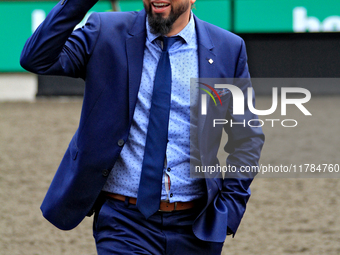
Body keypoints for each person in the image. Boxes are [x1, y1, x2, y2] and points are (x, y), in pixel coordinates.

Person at [20, 0, 264, 254]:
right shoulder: (105, 31)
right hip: (124, 223)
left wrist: (230, 207)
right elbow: (36, 59)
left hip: (197, 226)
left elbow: (247, 137)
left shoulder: (228, 48)